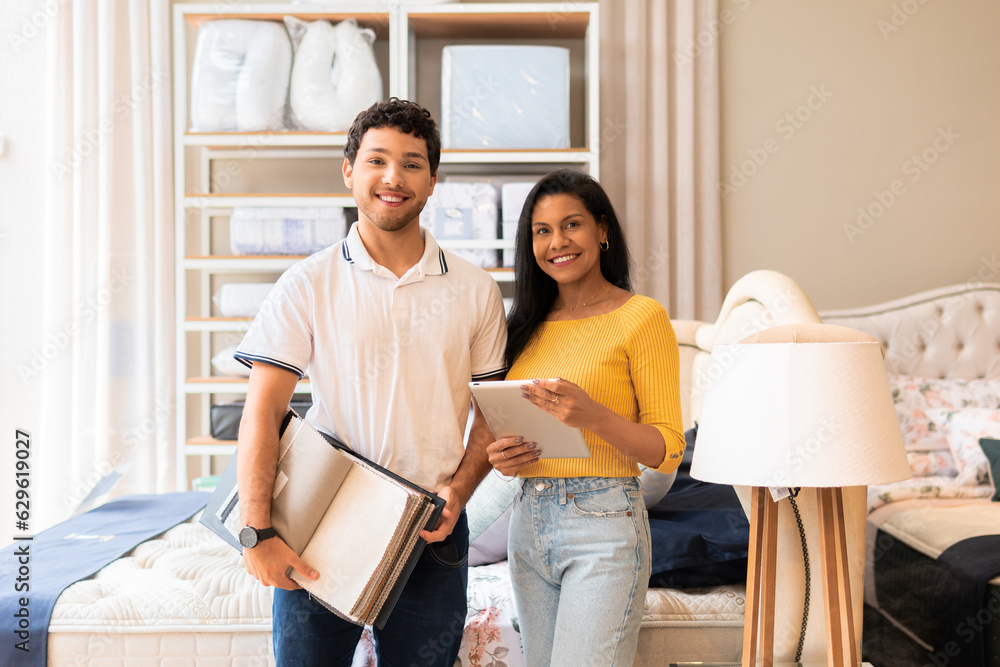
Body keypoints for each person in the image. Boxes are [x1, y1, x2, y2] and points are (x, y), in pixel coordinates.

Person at [233, 98, 507, 666]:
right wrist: (256, 531)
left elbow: (490, 412)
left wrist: (460, 491)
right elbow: (262, 411)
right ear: (349, 170)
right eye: (377, 160)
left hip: (430, 528)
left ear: (432, 181)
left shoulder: (476, 289)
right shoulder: (307, 282)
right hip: (322, 522)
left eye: (412, 163)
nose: (393, 177)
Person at [486, 168, 686, 666]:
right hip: (527, 520)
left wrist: (592, 415)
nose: (558, 242)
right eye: (542, 231)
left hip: (604, 522)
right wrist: (502, 456)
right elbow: (506, 429)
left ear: (601, 230)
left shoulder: (641, 317)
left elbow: (667, 447)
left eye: (571, 225)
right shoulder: (522, 328)